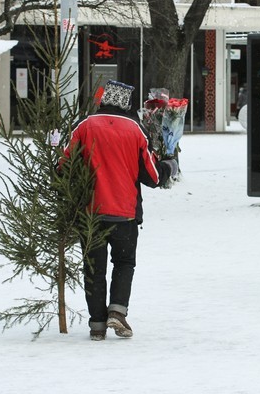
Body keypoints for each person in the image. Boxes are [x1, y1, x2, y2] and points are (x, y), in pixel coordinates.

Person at [63, 80, 178, 341]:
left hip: (90, 212)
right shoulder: (135, 130)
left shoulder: (84, 126)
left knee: (93, 268)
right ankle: (117, 310)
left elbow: (63, 164)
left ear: (103, 100)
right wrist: (169, 166)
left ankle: (96, 324)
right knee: (124, 263)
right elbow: (151, 176)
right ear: (126, 103)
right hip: (124, 213)